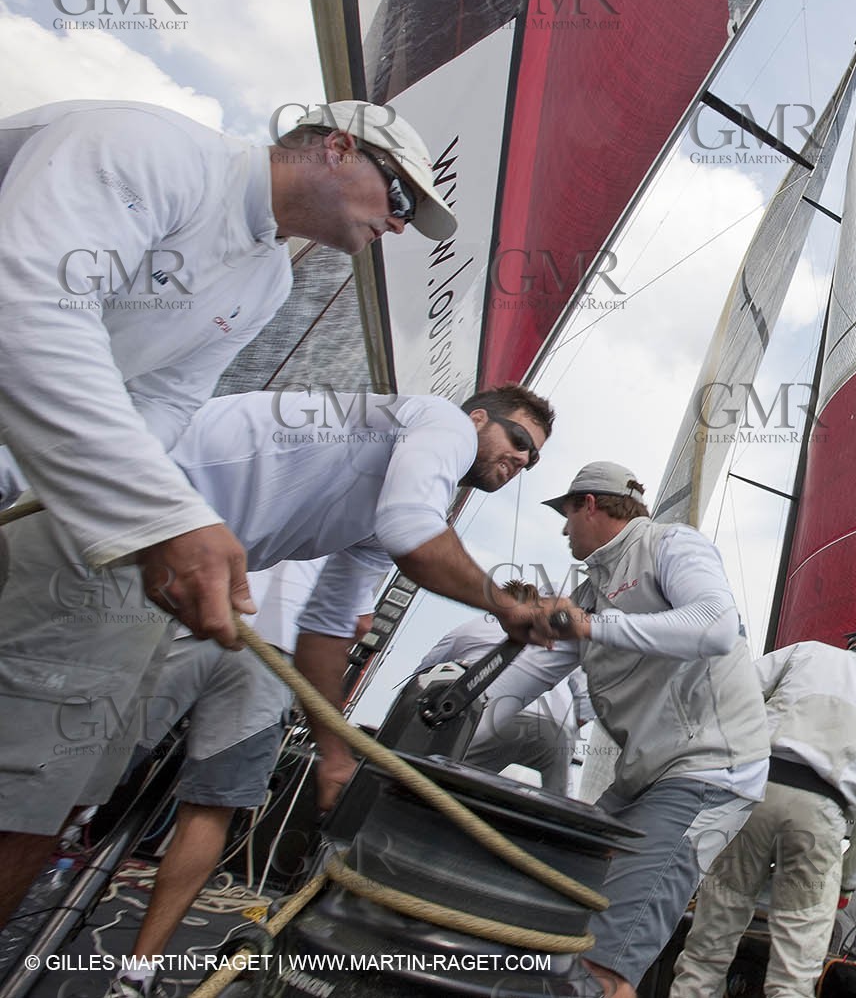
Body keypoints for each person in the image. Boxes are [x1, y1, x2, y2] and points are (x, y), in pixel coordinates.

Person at [0, 383, 552, 928]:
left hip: (147, 575)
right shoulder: (441, 421)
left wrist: (334, 755)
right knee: (37, 793)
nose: (524, 461)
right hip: (114, 524)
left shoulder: (382, 495)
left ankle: (134, 973)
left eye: (534, 458)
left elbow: (326, 630)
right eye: (521, 440)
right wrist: (506, 606)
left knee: (76, 788)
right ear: (478, 419)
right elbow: (413, 528)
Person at [0, 98, 453, 642]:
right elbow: (30, 308)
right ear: (338, 149)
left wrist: (13, 477)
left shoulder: (268, 280)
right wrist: (163, 516)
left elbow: (164, 401)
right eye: (400, 196)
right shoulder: (150, 148)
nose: (400, 225)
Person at [516, 463, 772, 998]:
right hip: (642, 781)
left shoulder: (672, 545)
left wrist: (590, 625)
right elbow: (524, 682)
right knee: (551, 907)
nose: (564, 531)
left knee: (603, 963)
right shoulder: (587, 594)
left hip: (709, 769)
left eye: (567, 515)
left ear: (590, 504)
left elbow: (716, 624)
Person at [105, 559, 374, 998]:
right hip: (271, 649)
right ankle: (138, 972)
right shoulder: (365, 513)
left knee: (84, 774)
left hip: (188, 610)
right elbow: (357, 619)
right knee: (210, 808)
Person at [670, 623, 856, 998]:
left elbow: (736, 688)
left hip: (755, 793)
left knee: (707, 950)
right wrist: (847, 880)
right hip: (820, 816)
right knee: (794, 976)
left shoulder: (807, 651)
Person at [412, 613, 592, 796]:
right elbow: (587, 701)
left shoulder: (472, 627)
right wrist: (570, 729)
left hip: (487, 723)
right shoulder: (560, 638)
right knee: (557, 802)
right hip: (553, 732)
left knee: (434, 775)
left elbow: (421, 677)